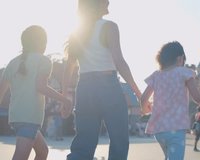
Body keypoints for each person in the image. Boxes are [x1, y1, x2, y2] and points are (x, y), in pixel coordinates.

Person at [62, 0, 142, 159]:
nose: (108, 2)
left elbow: (68, 67)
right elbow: (119, 62)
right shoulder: (109, 27)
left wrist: (65, 98)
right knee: (119, 139)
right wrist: (139, 94)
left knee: (83, 142)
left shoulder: (77, 32)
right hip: (108, 86)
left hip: (84, 87)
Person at [0, 25, 72, 160]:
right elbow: (41, 86)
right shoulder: (43, 61)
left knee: (43, 152)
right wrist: (64, 99)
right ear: (43, 43)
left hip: (16, 117)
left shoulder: (13, 62)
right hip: (29, 117)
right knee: (20, 156)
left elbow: (0, 92)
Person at [140, 41, 200, 160]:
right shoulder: (184, 72)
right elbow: (196, 96)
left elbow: (144, 98)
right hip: (176, 129)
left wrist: (145, 109)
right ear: (180, 58)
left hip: (159, 130)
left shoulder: (156, 75)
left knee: (169, 157)